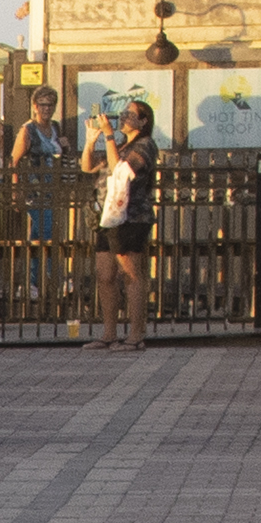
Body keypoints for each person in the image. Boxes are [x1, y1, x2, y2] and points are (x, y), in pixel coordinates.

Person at [85, 100, 151, 349]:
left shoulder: (144, 146)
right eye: (122, 113)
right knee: (105, 275)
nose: (123, 117)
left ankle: (136, 335)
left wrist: (109, 135)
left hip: (132, 217)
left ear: (143, 121)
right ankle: (109, 333)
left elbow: (118, 168)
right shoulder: (120, 145)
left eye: (129, 114)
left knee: (130, 274)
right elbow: (89, 166)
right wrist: (92, 141)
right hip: (108, 217)